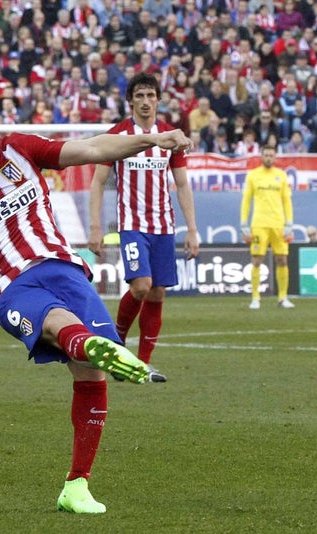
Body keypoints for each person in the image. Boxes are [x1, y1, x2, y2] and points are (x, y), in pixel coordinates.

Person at [0, 94, 194, 514]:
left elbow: (94, 148)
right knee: (63, 326)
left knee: (91, 372)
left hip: (65, 270)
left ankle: (76, 486)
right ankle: (90, 344)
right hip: (11, 288)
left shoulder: (19, 148)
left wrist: (155, 139)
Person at [87, 73, 199, 383]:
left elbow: (182, 184)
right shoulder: (119, 135)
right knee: (141, 286)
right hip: (132, 224)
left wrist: (192, 229)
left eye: (151, 95)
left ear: (158, 100)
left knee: (158, 293)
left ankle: (143, 364)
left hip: (163, 225)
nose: (146, 101)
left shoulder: (171, 137)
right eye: (140, 96)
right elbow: (97, 182)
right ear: (131, 101)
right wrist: (95, 226)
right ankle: (117, 345)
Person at [241, 144, 295, 309]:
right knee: (257, 260)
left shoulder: (281, 176)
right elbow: (246, 200)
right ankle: (255, 298)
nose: (269, 158)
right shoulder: (253, 176)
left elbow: (287, 200)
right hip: (259, 224)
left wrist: (289, 222)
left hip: (278, 224)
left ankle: (282, 298)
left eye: (272, 155)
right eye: (266, 155)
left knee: (282, 260)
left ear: (275, 157)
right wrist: (244, 223)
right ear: (261, 156)